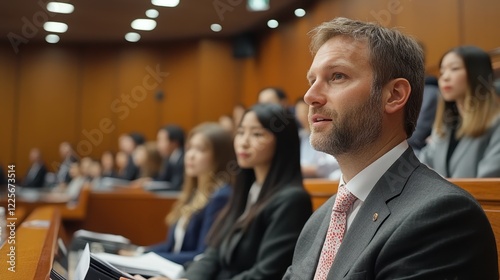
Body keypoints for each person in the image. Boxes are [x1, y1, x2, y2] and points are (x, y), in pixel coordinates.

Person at [283, 17, 498, 279]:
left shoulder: (441, 217)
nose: (309, 96)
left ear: (394, 95)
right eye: (312, 79)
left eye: (337, 76)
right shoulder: (319, 221)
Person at [178, 103, 312, 280]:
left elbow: (266, 275)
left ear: (282, 142)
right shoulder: (247, 191)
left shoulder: (292, 200)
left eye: (257, 134)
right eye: (240, 132)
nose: (244, 142)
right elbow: (213, 254)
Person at [119, 123, 234, 266]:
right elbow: (172, 247)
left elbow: (202, 255)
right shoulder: (193, 193)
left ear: (219, 156)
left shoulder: (220, 197)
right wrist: (139, 252)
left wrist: (144, 260)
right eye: (190, 148)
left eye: (200, 149)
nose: (190, 155)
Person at [419, 45, 500, 177]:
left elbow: (487, 182)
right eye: (442, 71)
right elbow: (422, 165)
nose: (445, 77)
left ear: (477, 74)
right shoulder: (446, 123)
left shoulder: (496, 124)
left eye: (454, 69)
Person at [294, 98, 339, 178]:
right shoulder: (300, 136)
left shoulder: (328, 133)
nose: (301, 116)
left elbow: (333, 165)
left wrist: (308, 170)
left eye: (304, 111)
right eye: (298, 112)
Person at [155, 125, 185, 190]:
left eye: (161, 141)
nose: (158, 145)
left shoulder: (184, 159)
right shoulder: (169, 158)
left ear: (174, 143)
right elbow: (164, 179)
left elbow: (177, 186)